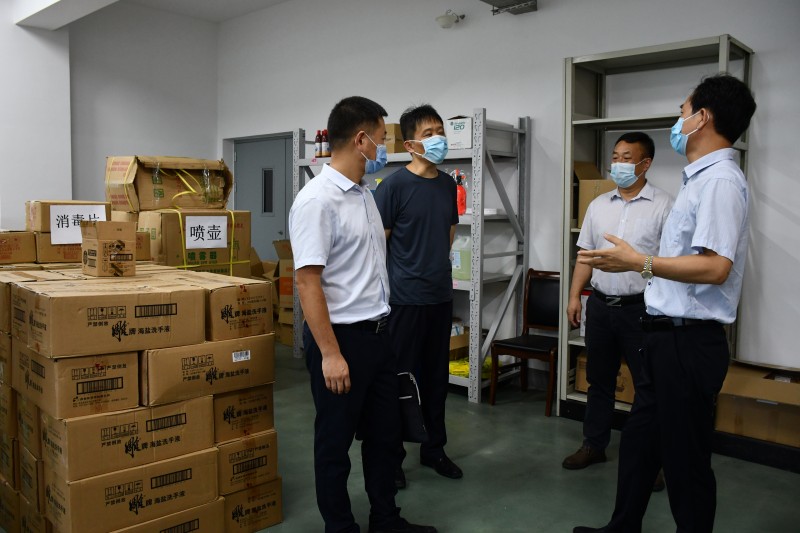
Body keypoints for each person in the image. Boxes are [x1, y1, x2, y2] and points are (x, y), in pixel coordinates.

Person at [573, 73, 757, 533]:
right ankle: (622, 527)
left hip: (687, 342)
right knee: (639, 444)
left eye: (682, 112)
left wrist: (639, 262)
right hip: (662, 337)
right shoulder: (699, 180)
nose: (679, 121)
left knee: (685, 462)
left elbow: (716, 267)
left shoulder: (720, 182)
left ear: (703, 118)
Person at [289, 96, 437, 533]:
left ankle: (385, 520)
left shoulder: (365, 195)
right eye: (381, 138)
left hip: (378, 335)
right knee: (334, 444)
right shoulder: (316, 201)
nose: (384, 147)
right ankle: (341, 528)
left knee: (384, 437)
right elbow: (307, 283)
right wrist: (331, 354)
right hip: (341, 341)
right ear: (360, 140)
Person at [562, 132, 673, 496]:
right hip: (600, 307)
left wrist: (641, 266)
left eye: (627, 158)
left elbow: (671, 264)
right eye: (615, 157)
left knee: (648, 386)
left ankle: (651, 462)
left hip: (642, 309)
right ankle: (594, 445)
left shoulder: (664, 205)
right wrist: (575, 297)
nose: (618, 164)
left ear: (645, 164)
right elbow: (585, 257)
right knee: (599, 380)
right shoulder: (598, 206)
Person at [373, 104, 462, 489]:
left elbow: (448, 234)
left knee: (436, 379)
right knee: (400, 381)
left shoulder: (447, 185)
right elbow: (379, 247)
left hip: (439, 298)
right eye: (429, 133)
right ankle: (392, 457)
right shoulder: (393, 187)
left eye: (440, 131)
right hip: (404, 301)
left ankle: (434, 448)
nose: (438, 138)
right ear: (410, 144)